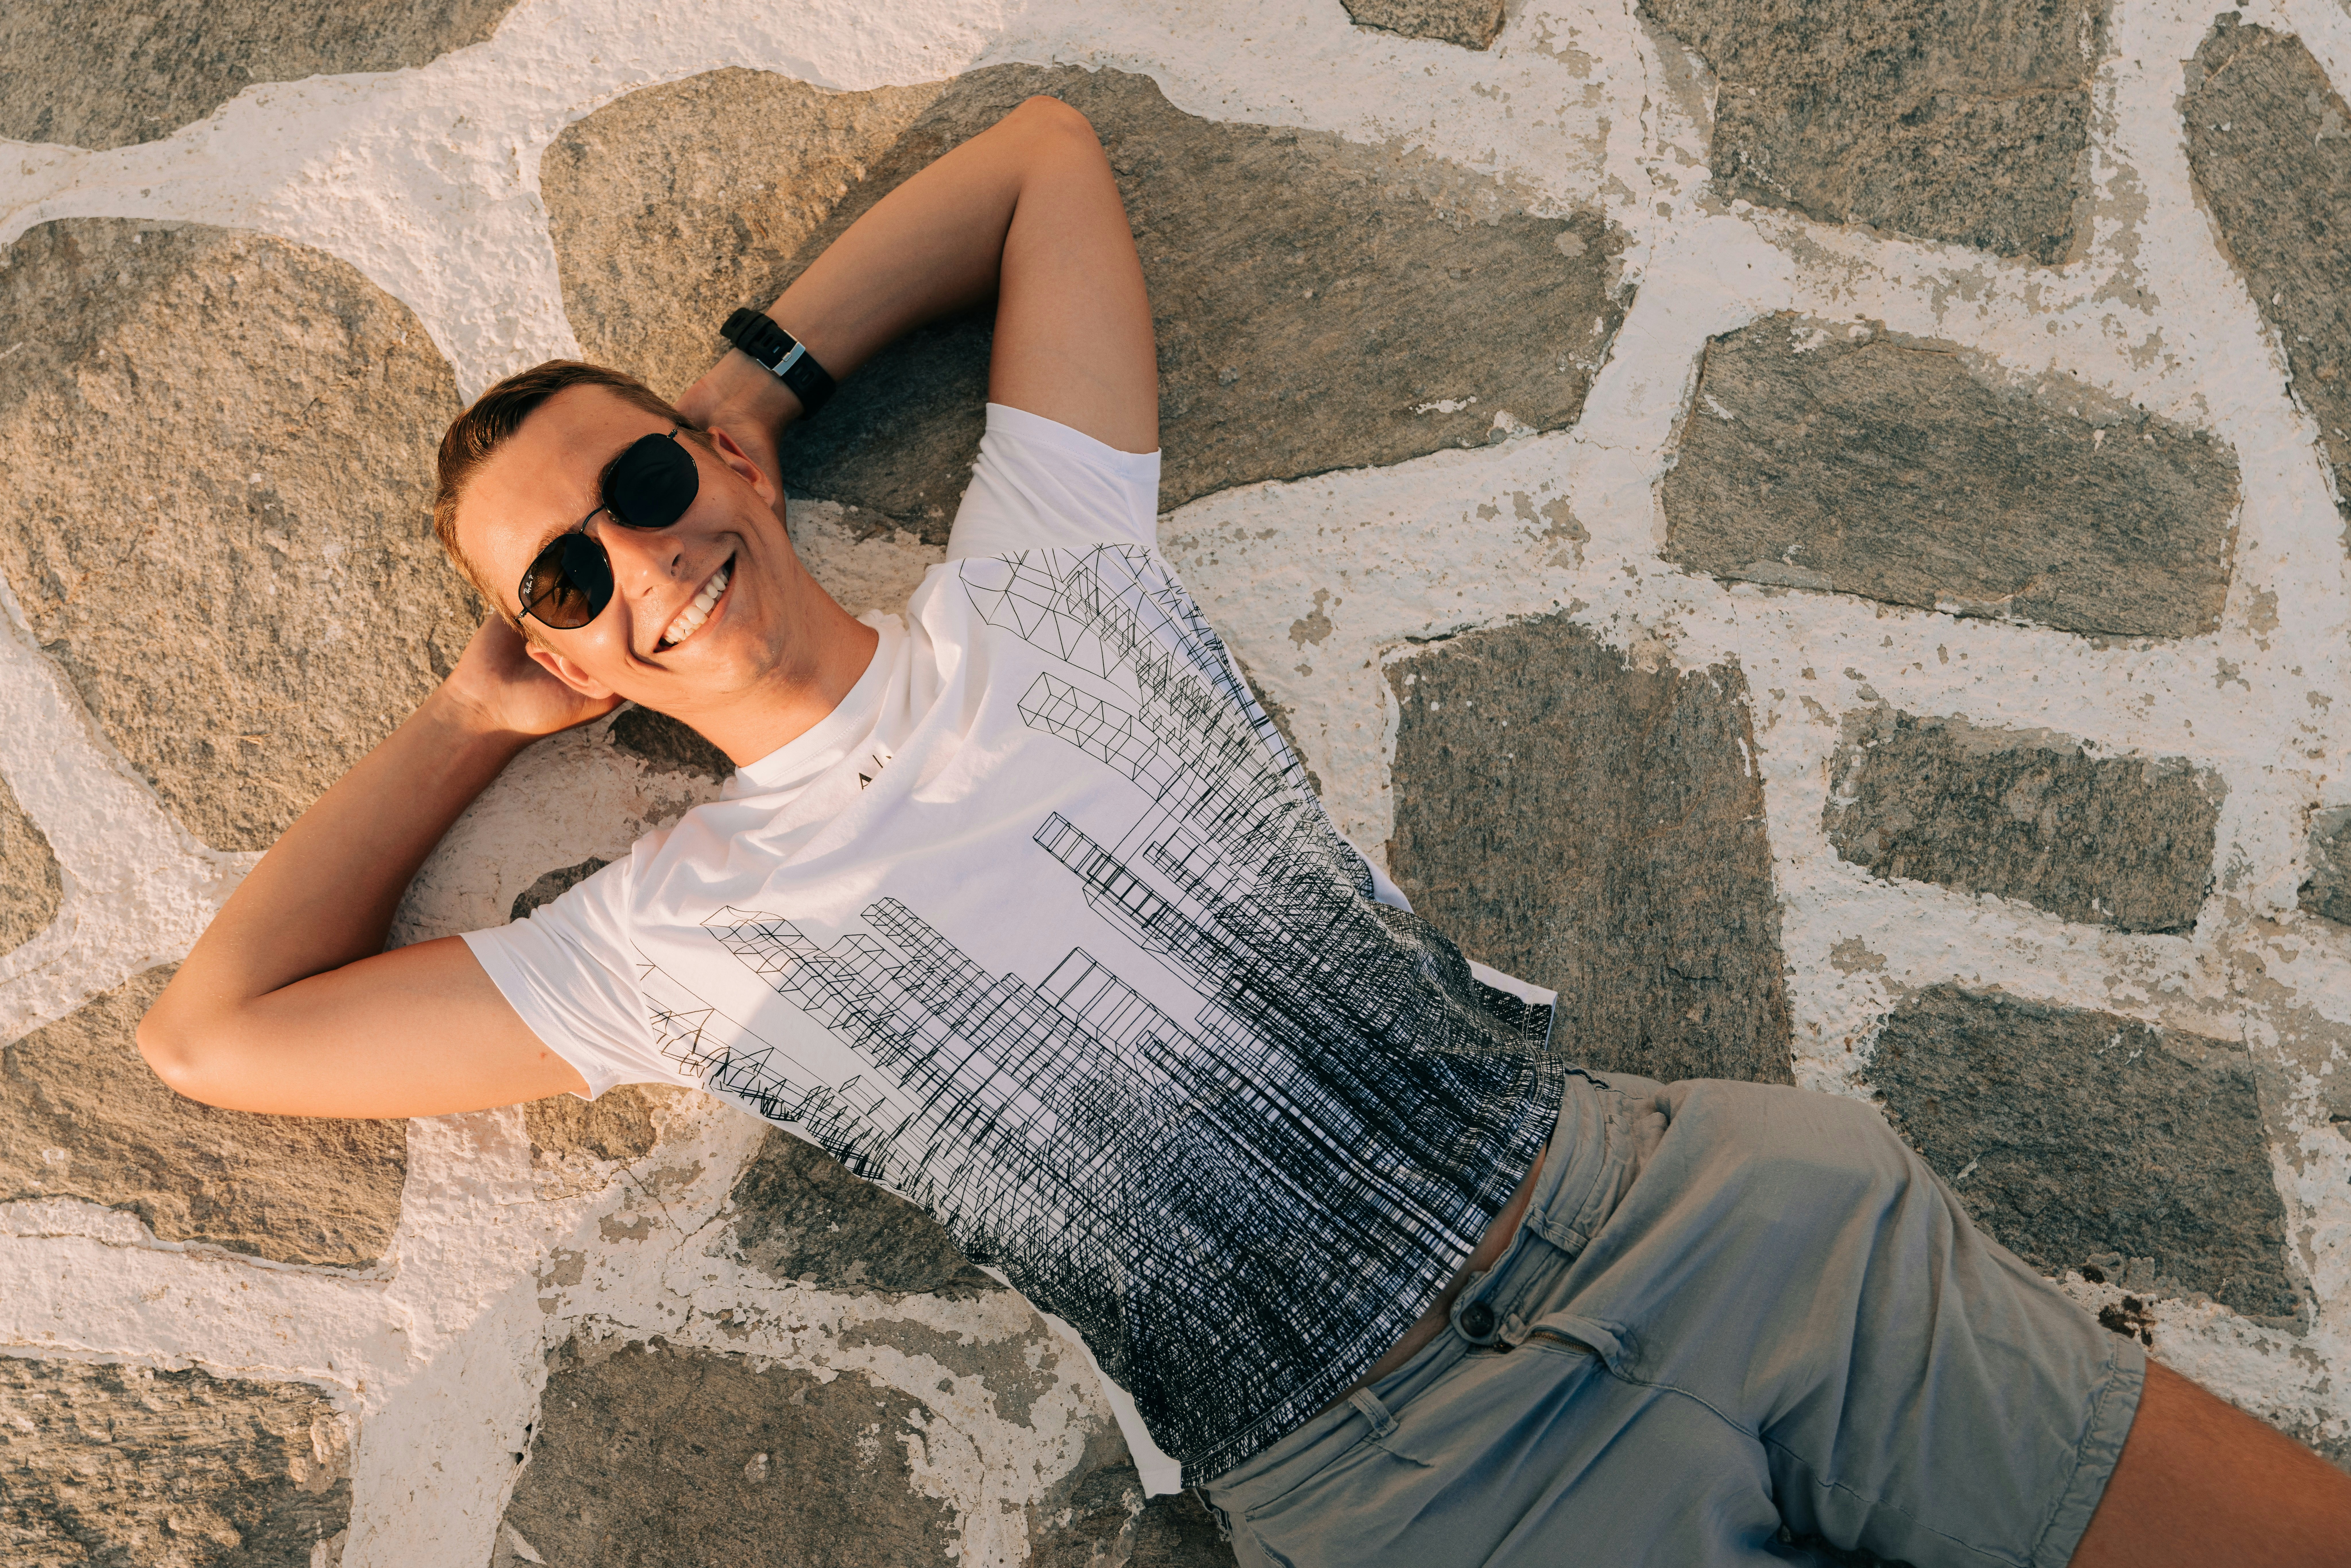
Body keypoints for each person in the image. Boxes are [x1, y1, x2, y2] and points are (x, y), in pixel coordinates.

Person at [136, 95, 2351, 1567]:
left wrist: (771, 367)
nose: (638, 557)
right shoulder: (665, 939)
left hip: (1695, 1214)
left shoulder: (1049, 578)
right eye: (562, 577)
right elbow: (216, 1034)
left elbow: (1038, 166)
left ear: (719, 473)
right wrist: (465, 717)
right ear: (569, 657)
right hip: (1425, 1483)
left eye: (643, 485)